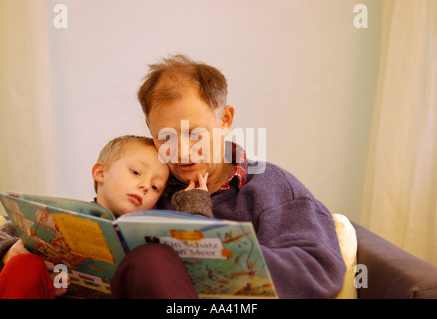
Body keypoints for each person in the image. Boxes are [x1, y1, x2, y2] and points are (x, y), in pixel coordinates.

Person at [132, 54, 347, 298]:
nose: (181, 151)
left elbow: (318, 271)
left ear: (224, 120)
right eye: (165, 136)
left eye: (194, 133)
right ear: (150, 128)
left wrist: (213, 254)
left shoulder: (270, 187)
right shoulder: (150, 189)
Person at [0, 135, 209, 298]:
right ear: (100, 172)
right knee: (25, 265)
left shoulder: (148, 234)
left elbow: (197, 263)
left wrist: (194, 203)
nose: (144, 186)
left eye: (154, 187)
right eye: (135, 172)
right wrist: (7, 254)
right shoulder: (52, 217)